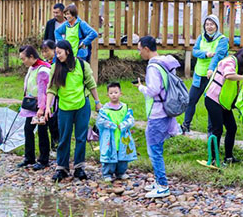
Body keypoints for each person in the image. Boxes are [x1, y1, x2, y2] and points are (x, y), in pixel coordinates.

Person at [44, 40, 102, 182]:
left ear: (68, 51)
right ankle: (62, 168)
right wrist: (47, 107)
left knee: (81, 137)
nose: (57, 56)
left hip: (82, 106)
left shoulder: (82, 65)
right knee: (64, 138)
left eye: (60, 53)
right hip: (64, 108)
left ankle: (79, 168)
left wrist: (97, 102)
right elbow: (51, 89)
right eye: (56, 53)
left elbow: (91, 83)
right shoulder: (55, 68)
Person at [137, 36, 181, 198]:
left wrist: (142, 88)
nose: (139, 52)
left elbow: (154, 90)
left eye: (139, 49)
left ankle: (162, 185)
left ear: (146, 49)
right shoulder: (166, 62)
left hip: (158, 113)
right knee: (157, 147)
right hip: (168, 109)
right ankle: (158, 181)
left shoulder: (153, 67)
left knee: (154, 149)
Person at [204, 46, 243, 164]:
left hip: (224, 103)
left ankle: (229, 158)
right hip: (213, 100)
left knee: (232, 128)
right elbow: (228, 75)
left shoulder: (239, 67)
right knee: (217, 130)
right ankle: (213, 159)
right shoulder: (230, 61)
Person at [181, 15, 229, 134]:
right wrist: (206, 53)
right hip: (199, 75)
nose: (209, 27)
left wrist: (211, 69)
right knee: (190, 100)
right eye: (207, 24)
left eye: (212, 24)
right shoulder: (201, 37)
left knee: (211, 105)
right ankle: (185, 125)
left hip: (213, 76)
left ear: (216, 26)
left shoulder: (222, 40)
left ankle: (210, 131)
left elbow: (218, 55)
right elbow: (195, 51)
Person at [17, 45, 51, 170]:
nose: (23, 61)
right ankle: (29, 157)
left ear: (31, 57)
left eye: (23, 59)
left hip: (40, 105)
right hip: (30, 104)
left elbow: (43, 91)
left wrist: (42, 108)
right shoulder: (32, 68)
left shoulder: (43, 70)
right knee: (28, 129)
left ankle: (43, 159)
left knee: (42, 132)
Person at [96, 82, 136, 182]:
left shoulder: (125, 108)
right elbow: (100, 122)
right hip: (110, 136)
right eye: (111, 93)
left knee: (123, 156)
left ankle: (121, 172)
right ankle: (107, 174)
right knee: (109, 154)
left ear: (120, 93)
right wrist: (110, 125)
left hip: (122, 136)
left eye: (116, 92)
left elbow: (131, 119)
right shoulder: (104, 110)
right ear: (107, 95)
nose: (114, 95)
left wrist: (124, 125)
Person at [41, 40, 59, 148]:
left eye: (47, 51)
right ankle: (52, 142)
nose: (44, 54)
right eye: (43, 52)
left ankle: (56, 141)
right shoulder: (44, 63)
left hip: (56, 94)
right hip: (47, 94)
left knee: (55, 120)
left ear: (54, 50)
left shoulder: (58, 62)